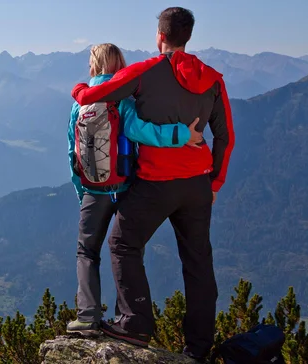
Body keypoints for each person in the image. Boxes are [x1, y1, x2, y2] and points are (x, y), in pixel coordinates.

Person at [71, 7, 235, 361]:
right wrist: (216, 182)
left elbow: (91, 97)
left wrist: (79, 87)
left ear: (160, 36)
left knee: (121, 243)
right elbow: (225, 137)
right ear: (187, 36)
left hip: (155, 183)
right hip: (197, 186)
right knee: (198, 262)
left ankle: (135, 323)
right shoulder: (213, 79)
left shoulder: (144, 72)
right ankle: (199, 348)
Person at [66, 43, 200, 336]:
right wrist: (180, 133)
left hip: (94, 190)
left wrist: (83, 190)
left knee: (87, 252)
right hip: (126, 186)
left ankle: (87, 317)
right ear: (120, 65)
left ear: (93, 65)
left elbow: (72, 153)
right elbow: (142, 132)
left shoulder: (80, 104)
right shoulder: (122, 99)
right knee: (125, 251)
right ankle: (122, 317)